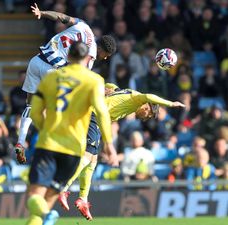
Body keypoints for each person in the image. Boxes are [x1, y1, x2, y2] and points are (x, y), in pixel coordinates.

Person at [58, 83, 185, 220]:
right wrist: (170, 104)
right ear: (147, 105)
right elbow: (148, 95)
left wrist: (104, 89)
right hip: (93, 114)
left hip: (97, 119)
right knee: (87, 156)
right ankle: (63, 188)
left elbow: (110, 85)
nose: (146, 117)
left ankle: (83, 198)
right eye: (149, 113)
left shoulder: (126, 93)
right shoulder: (137, 98)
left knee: (93, 161)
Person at [25, 42, 118, 225]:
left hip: (48, 144)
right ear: (86, 59)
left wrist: (45, 129)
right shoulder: (94, 81)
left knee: (35, 196)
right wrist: (108, 144)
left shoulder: (50, 78)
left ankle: (46, 215)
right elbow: (101, 113)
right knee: (46, 202)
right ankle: (46, 215)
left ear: (68, 57)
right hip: (74, 150)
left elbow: (35, 112)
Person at [14, 3, 117, 163]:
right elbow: (80, 78)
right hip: (52, 71)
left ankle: (21, 141)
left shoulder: (84, 26)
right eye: (106, 56)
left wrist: (42, 13)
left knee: (30, 105)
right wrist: (101, 90)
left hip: (36, 61)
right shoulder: (89, 56)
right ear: (105, 53)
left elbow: (61, 17)